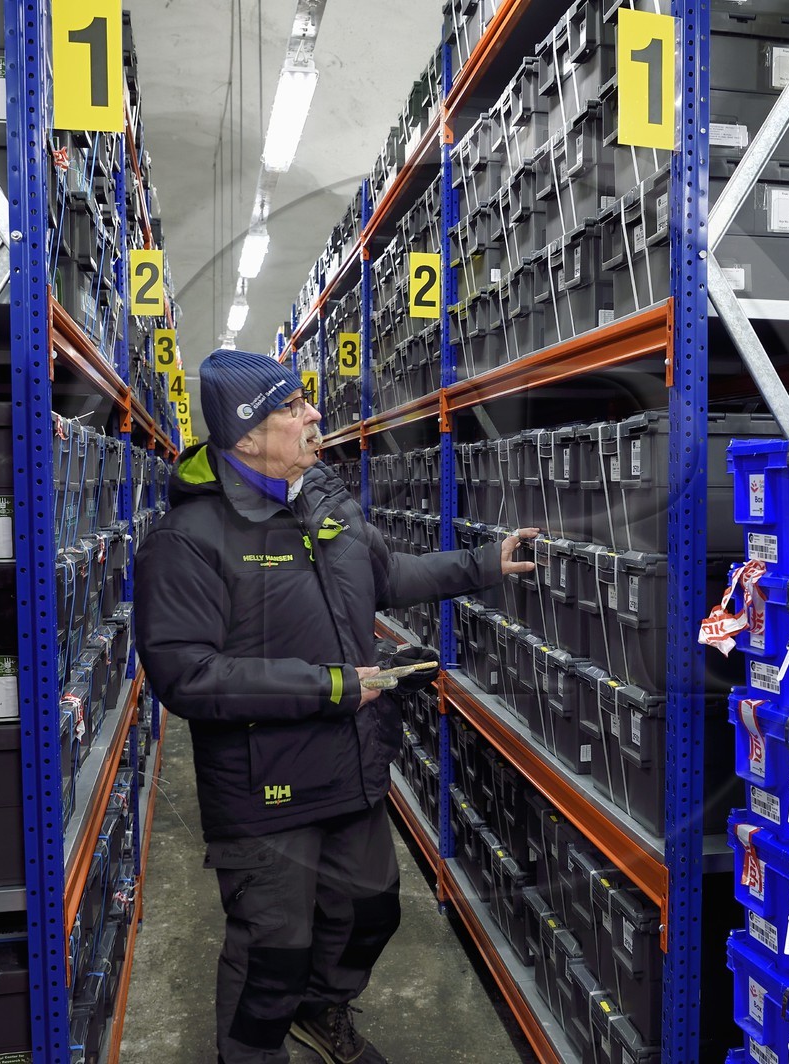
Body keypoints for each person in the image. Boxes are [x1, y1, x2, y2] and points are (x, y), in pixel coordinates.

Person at [134, 348, 538, 1064]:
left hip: (352, 764)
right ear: (245, 432)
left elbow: (383, 576)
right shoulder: (187, 540)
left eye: (305, 402)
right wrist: (329, 685)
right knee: (271, 953)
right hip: (265, 787)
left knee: (372, 910)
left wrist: (482, 565)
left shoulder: (328, 503)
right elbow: (186, 675)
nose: (313, 416)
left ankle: (323, 1007)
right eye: (291, 408)